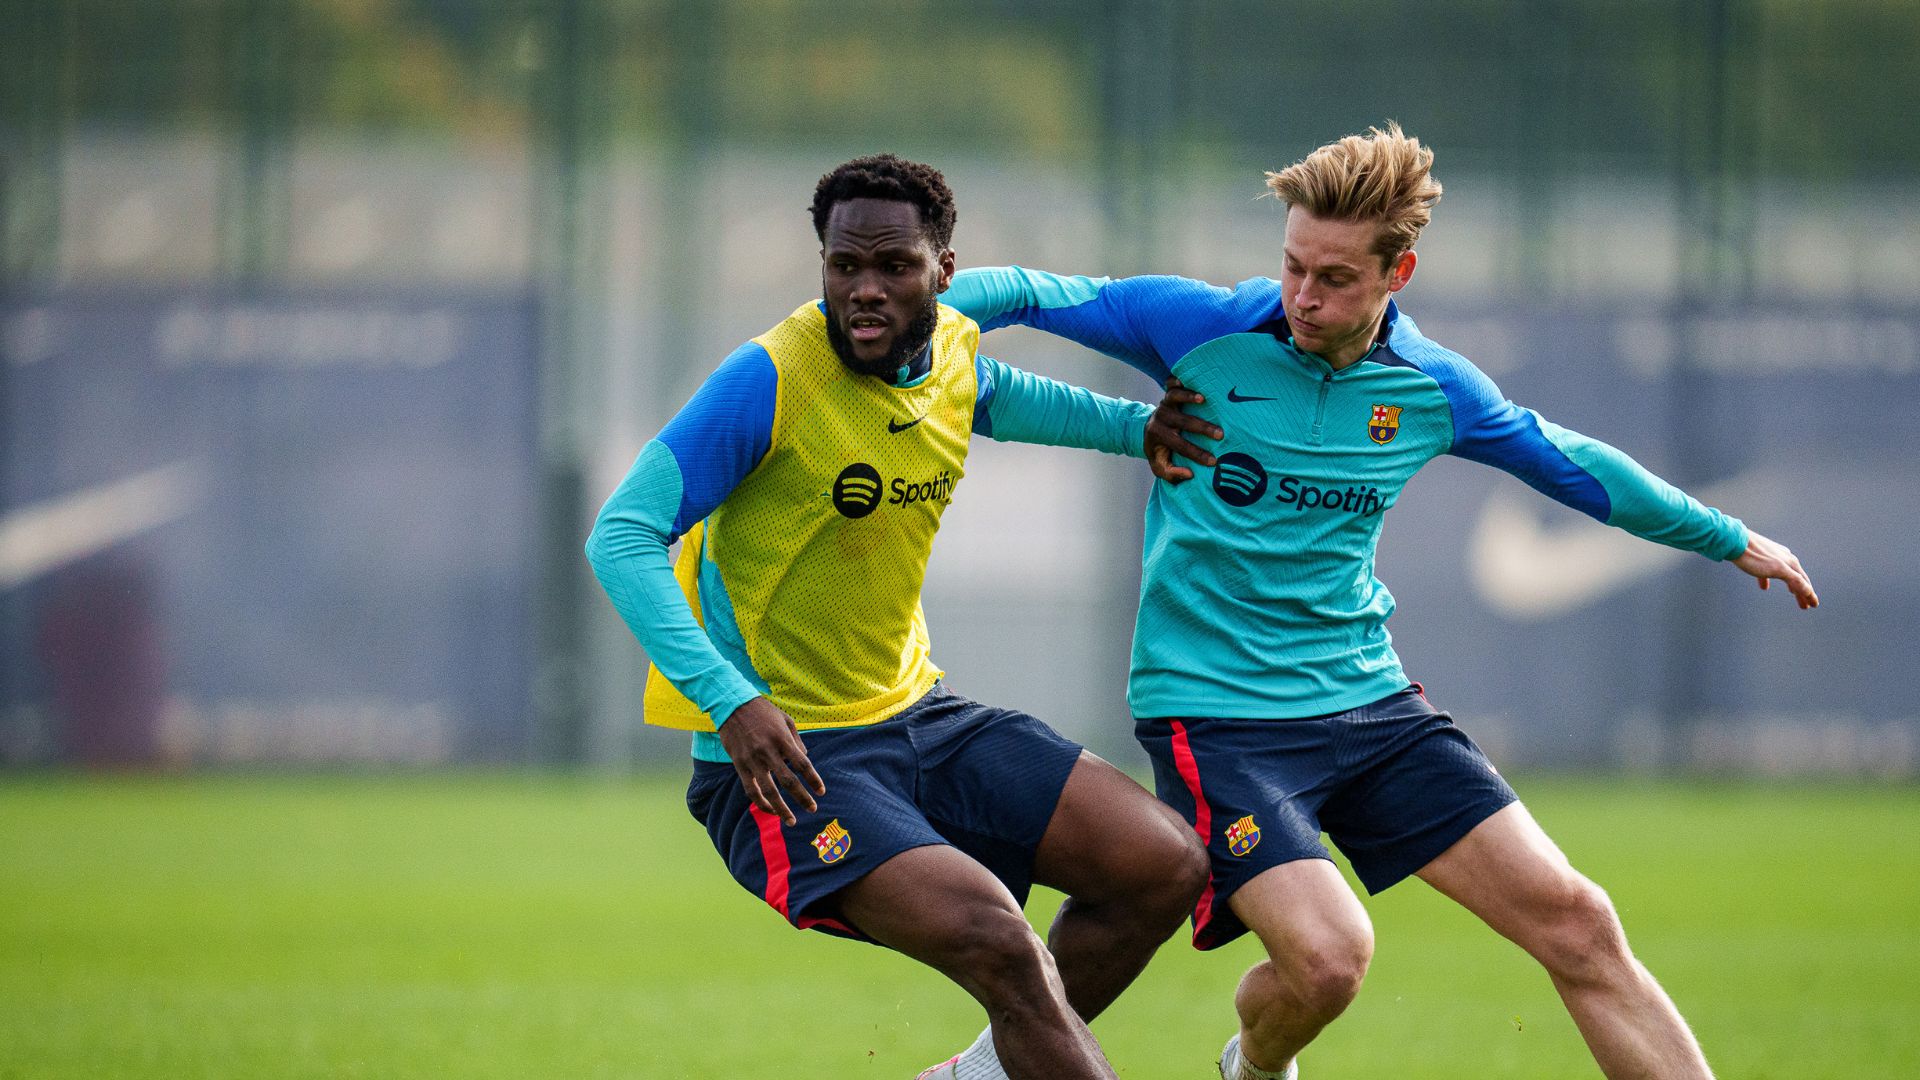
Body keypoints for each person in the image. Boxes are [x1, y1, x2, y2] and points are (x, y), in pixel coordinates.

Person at [942, 123, 1817, 1080]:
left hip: (1370, 703)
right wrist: (919, 312)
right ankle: (1239, 1067)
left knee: (1580, 922)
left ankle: (1251, 1066)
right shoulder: (1206, 328)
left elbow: (1575, 467)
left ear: (1398, 273)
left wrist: (1730, 537)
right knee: (1328, 959)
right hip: (1219, 716)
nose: (1303, 299)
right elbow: (1029, 292)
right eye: (1292, 267)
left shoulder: (1433, 388)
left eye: (1335, 278)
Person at [584, 154, 1207, 1080]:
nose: (865, 291)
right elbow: (621, 535)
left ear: (943, 271)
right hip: (786, 760)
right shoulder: (769, 380)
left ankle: (973, 1078)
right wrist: (728, 700)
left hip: (918, 717)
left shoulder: (953, 345)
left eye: (895, 267)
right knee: (1003, 946)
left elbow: (989, 396)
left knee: (1163, 865)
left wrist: (1134, 427)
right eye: (844, 267)